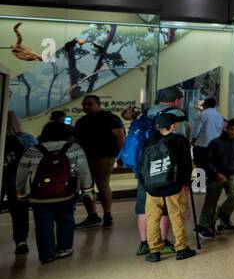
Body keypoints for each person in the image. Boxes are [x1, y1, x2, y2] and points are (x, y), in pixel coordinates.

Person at [14, 121, 92, 264]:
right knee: (66, 219)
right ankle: (64, 248)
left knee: (43, 224)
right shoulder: (74, 148)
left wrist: (20, 193)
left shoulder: (33, 150)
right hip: (66, 193)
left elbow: (21, 173)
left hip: (39, 196)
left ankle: (47, 254)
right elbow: (84, 171)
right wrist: (87, 191)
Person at [131, 86, 185, 256]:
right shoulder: (174, 115)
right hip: (167, 170)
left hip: (144, 168)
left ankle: (144, 243)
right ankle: (162, 241)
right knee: (166, 208)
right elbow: (179, 142)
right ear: (176, 100)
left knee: (144, 207)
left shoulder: (145, 113)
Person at [140, 108, 195, 263]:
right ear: (172, 126)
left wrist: (146, 183)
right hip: (173, 186)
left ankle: (154, 251)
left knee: (152, 217)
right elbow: (185, 164)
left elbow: (141, 164)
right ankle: (181, 248)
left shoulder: (149, 141)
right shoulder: (179, 140)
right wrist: (185, 182)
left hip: (152, 188)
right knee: (176, 215)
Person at [72, 94, 124, 229]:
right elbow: (76, 141)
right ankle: (93, 216)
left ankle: (107, 215)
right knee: (86, 188)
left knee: (103, 185)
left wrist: (118, 155)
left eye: (89, 104)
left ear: (98, 104)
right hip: (85, 159)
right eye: (84, 104)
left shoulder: (109, 118)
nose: (86, 107)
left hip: (104, 157)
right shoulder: (81, 121)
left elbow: (120, 136)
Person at [197, 117, 234, 238]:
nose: (233, 132)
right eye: (231, 129)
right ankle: (204, 225)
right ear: (226, 128)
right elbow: (207, 160)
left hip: (230, 173)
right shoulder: (215, 143)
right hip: (215, 175)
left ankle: (221, 215)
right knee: (211, 201)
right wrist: (216, 173)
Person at [3, 111, 37, 254]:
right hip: (20, 181)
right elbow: (36, 158)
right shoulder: (27, 138)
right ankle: (21, 240)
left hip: (3, 179)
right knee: (19, 213)